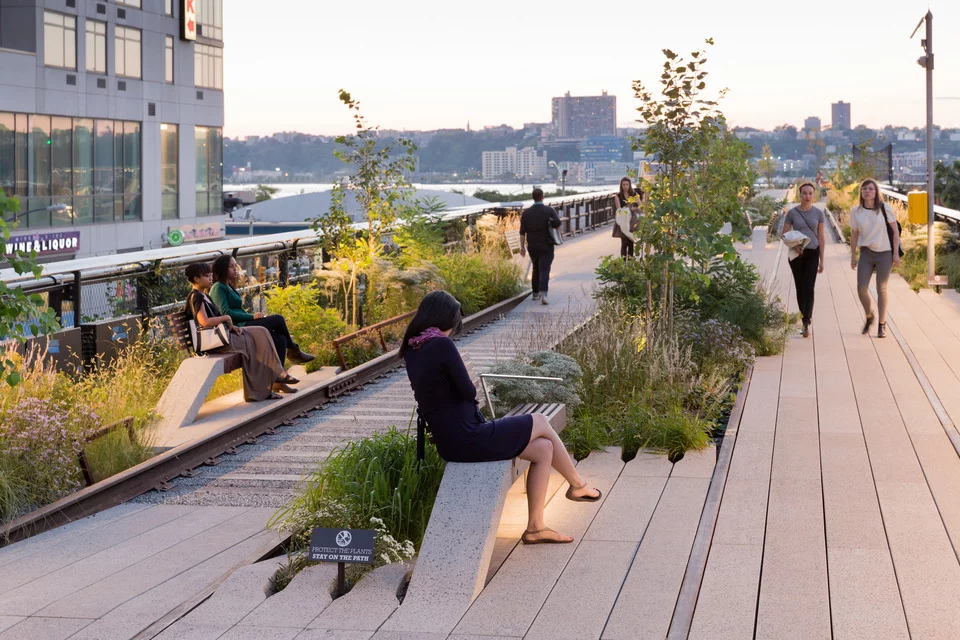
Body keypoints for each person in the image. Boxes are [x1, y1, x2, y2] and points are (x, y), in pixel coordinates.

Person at [401, 290, 601, 545]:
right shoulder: (441, 344)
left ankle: (536, 528)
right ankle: (577, 484)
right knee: (539, 420)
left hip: (453, 441)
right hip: (469, 438)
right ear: (446, 319)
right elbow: (468, 390)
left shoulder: (413, 349)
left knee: (542, 448)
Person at [184, 262, 299, 401]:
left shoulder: (204, 296)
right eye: (206, 276)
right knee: (253, 344)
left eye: (210, 275)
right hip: (215, 343)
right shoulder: (197, 297)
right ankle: (266, 385)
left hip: (221, 337)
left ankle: (277, 373)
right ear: (196, 279)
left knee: (261, 332)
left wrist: (233, 327)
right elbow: (204, 322)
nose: (210, 278)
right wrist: (226, 318)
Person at [210, 255, 315, 366]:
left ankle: (278, 377)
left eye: (236, 265)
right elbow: (226, 313)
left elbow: (237, 310)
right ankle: (294, 350)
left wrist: (252, 316)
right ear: (222, 269)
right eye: (231, 266)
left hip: (243, 324)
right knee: (278, 319)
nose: (235, 269)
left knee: (280, 339)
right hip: (237, 329)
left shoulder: (228, 286)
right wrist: (252, 317)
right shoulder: (218, 287)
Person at [849, 178, 901, 338]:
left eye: (870, 189)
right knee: (861, 288)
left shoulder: (885, 208)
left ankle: (882, 324)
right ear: (861, 193)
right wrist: (853, 255)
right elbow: (854, 234)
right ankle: (869, 315)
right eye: (864, 189)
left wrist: (895, 254)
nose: (867, 191)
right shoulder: (856, 212)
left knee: (881, 289)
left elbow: (895, 231)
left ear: (876, 191)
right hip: (866, 253)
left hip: (884, 253)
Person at [781, 182, 825, 338]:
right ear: (800, 195)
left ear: (814, 195)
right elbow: (784, 234)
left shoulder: (818, 214)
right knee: (800, 287)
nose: (807, 196)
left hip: (813, 252)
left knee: (809, 287)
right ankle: (803, 317)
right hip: (796, 254)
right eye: (804, 193)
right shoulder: (792, 213)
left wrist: (822, 260)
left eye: (810, 193)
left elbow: (821, 237)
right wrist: (794, 247)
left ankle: (807, 321)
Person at [519, 188, 562, 305]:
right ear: (542, 197)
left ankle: (535, 294)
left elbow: (522, 232)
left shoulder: (526, 213)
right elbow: (558, 224)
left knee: (535, 268)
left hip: (532, 246)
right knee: (545, 269)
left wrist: (522, 247)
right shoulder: (549, 211)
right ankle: (544, 294)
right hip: (546, 245)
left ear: (533, 197)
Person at [612, 177, 643, 259]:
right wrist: (626, 208)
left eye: (627, 184)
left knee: (631, 242)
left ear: (629, 185)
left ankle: (630, 262)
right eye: (623, 185)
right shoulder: (618, 196)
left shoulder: (634, 194)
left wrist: (634, 207)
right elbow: (619, 210)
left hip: (632, 221)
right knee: (624, 242)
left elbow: (640, 206)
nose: (625, 186)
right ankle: (623, 262)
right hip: (623, 220)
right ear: (621, 185)